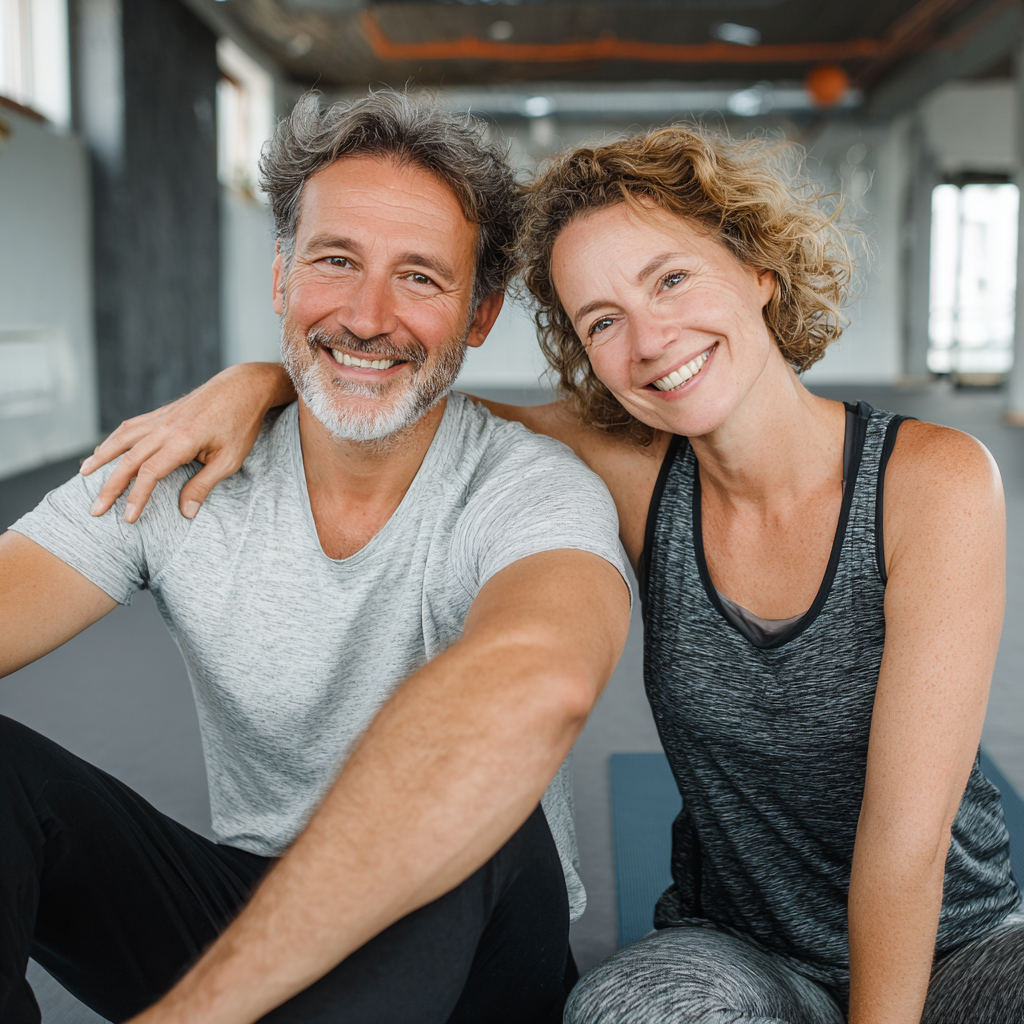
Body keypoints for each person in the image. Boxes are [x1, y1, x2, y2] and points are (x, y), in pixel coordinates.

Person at [100, 123, 1024, 1023]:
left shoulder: (931, 481)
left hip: (955, 946)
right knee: (620, 1012)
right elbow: (405, 389)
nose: (651, 339)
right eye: (603, 321)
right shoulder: (639, 482)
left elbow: (906, 843)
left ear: (759, 273)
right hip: (745, 953)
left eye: (671, 279)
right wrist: (255, 380)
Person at [0, 92, 633, 1024]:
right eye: (336, 261)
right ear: (282, 279)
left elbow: (544, 681)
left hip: (468, 945)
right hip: (252, 911)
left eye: (420, 278)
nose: (367, 316)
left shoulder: (526, 488)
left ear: (479, 314)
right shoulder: (183, 467)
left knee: (483, 799)